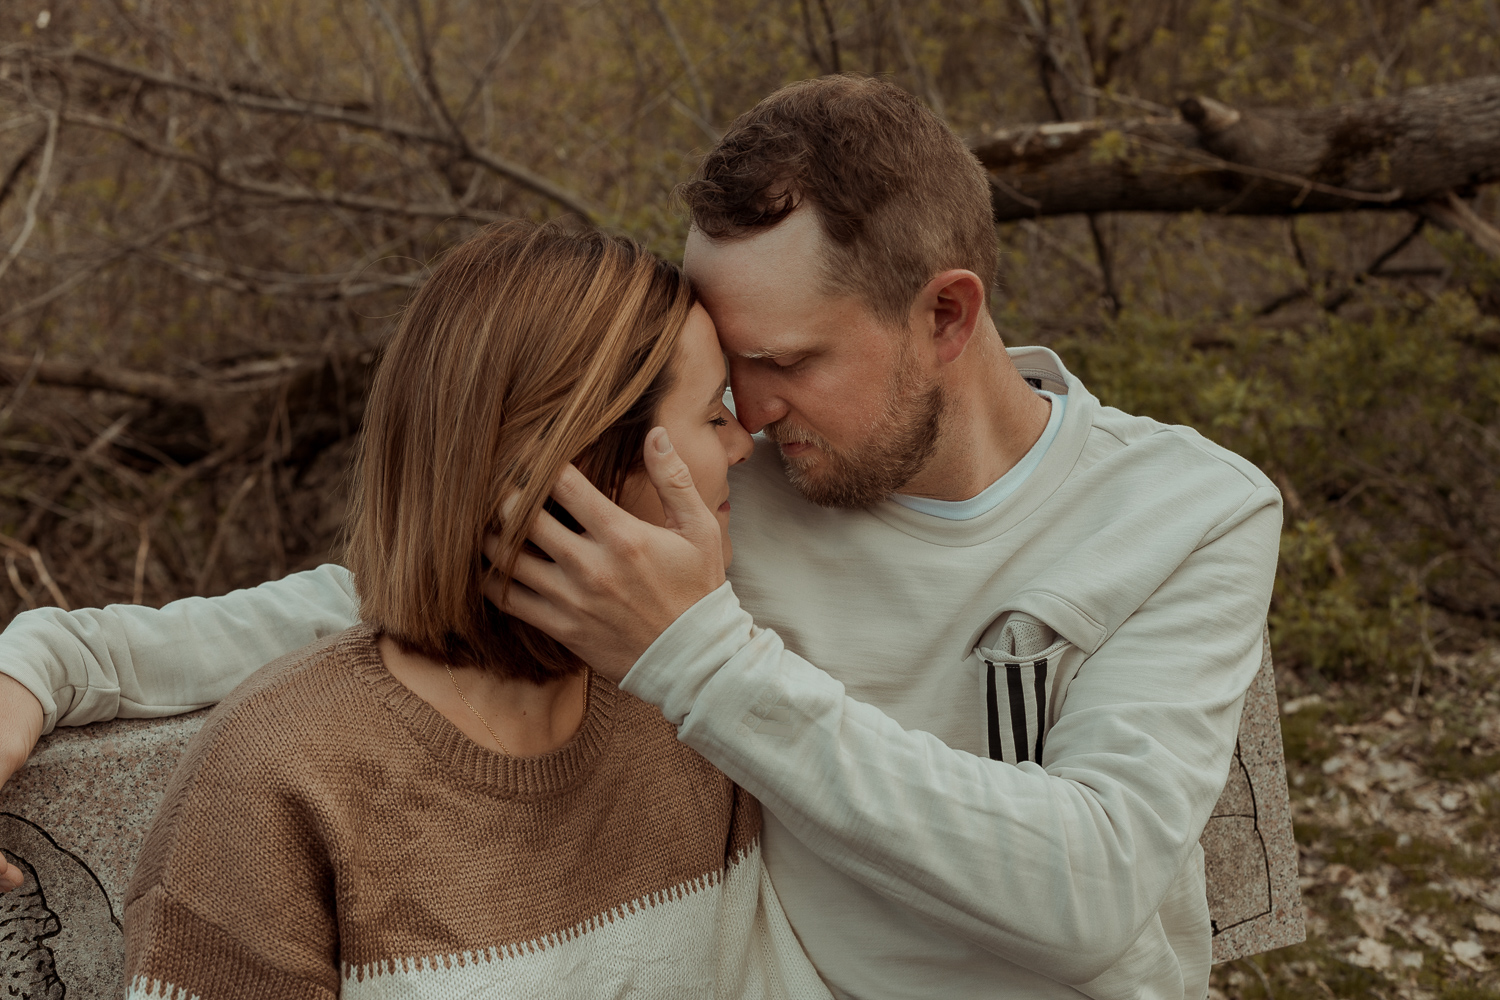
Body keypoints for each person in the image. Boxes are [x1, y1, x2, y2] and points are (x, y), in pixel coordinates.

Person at [0, 77, 1280, 999]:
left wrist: (699, 657)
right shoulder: (729, 483)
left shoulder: (1187, 513)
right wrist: (47, 661)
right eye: (726, 371)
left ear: (946, 316)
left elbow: (1088, 891)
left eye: (784, 362)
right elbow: (412, 583)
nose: (748, 416)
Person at [113, 221, 831, 998]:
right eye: (713, 415)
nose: (743, 447)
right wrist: (45, 662)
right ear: (584, 457)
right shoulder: (277, 779)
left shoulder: (690, 711)